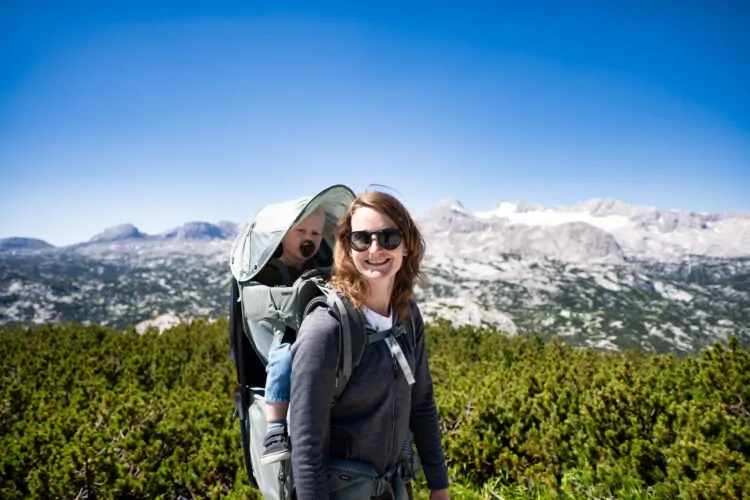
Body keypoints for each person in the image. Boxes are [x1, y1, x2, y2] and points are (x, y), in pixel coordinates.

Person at [289, 190, 451, 499]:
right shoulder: (326, 329)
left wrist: (438, 485)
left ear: (407, 245)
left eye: (389, 237)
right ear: (348, 248)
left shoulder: (407, 315)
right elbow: (306, 444)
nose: (375, 248)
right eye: (362, 239)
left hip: (394, 487)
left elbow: (422, 403)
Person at [255, 207, 326, 465]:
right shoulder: (270, 271)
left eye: (316, 233)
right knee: (284, 357)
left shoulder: (318, 267)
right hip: (282, 336)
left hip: (315, 331)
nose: (309, 237)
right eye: (301, 231)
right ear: (284, 235)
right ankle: (274, 430)